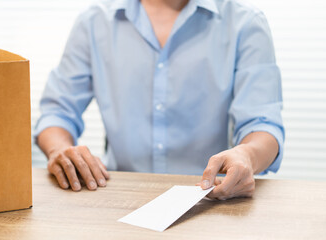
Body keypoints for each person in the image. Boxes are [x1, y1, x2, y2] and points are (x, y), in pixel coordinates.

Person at [35, 0, 284, 200]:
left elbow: (263, 125)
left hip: (210, 199)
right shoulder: (94, 22)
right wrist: (60, 149)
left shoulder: (246, 23)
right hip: (115, 199)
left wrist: (247, 157)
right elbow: (57, 113)